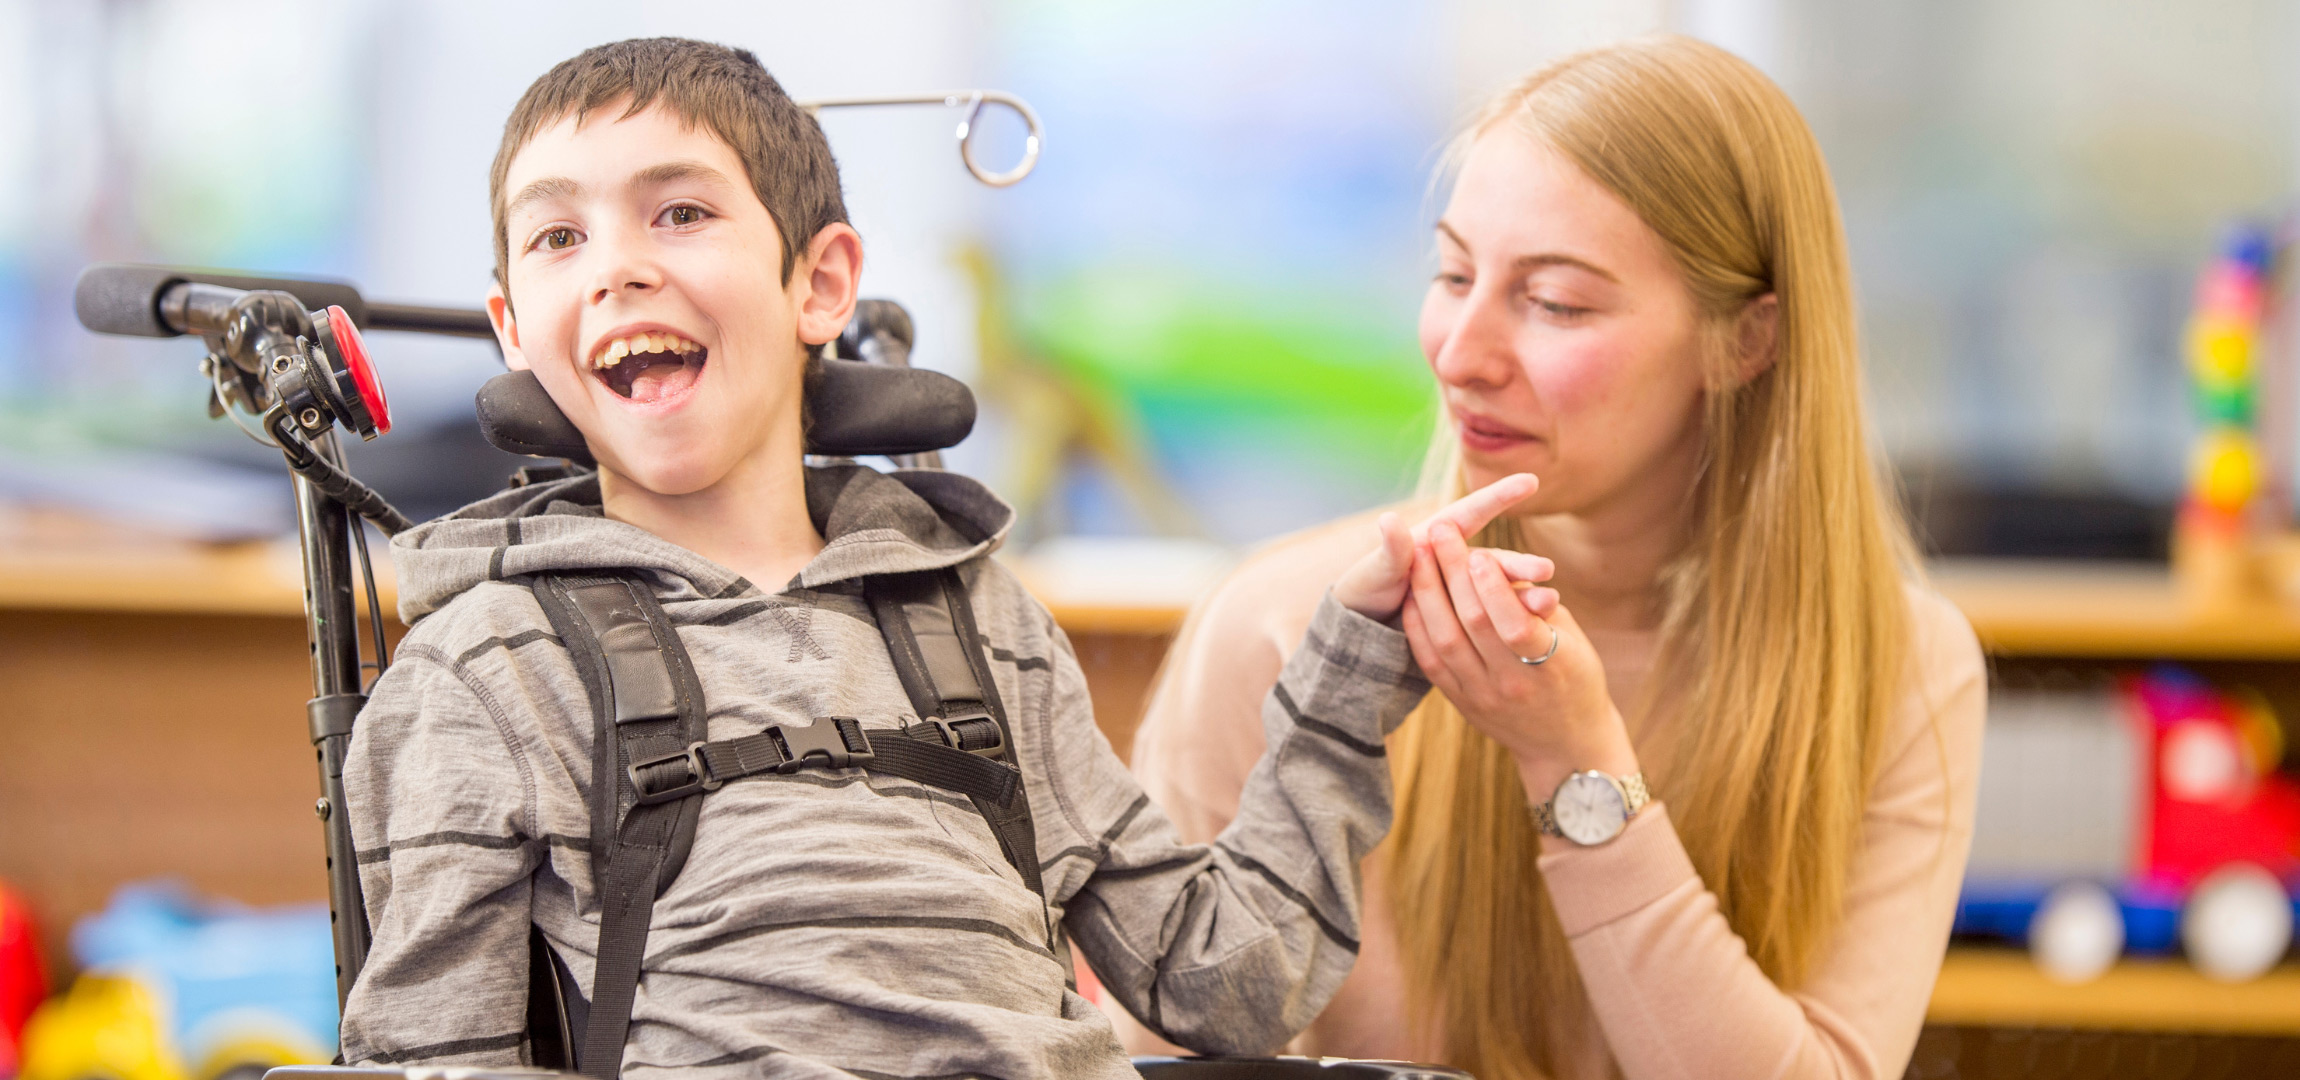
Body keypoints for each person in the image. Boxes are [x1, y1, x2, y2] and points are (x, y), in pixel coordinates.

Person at [339, 37, 1547, 1079]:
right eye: (558, 235)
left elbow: (1224, 983)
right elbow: (434, 1052)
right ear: (515, 330)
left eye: (681, 214)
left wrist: (1348, 674)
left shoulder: (978, 623)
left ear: (821, 283)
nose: (617, 266)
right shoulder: (481, 672)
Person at [1118, 36, 1986, 1080]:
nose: (1459, 353)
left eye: (1557, 303)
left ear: (1745, 342)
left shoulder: (1901, 669)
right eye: (1452, 275)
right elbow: (1151, 1058)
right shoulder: (1278, 625)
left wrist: (1577, 768)